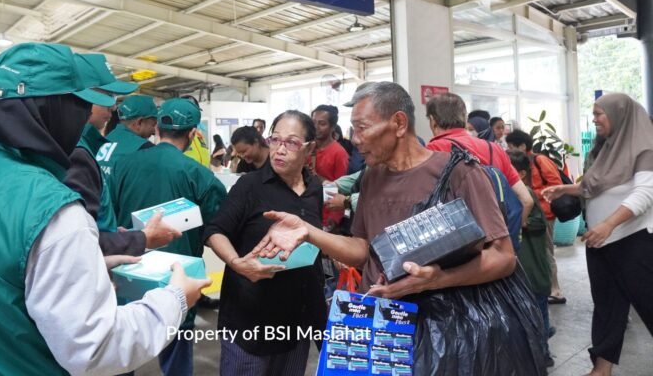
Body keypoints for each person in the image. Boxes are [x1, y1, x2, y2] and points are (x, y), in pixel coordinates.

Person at [0, 43, 209, 375]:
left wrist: (83, 259)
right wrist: (175, 298)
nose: (87, 116)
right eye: (79, 106)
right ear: (53, 109)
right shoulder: (46, 204)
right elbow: (96, 348)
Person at [253, 82, 545, 375]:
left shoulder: (460, 173)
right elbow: (363, 249)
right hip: (379, 321)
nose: (355, 139)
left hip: (444, 332)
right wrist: (308, 231)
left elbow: (504, 257)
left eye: (363, 127)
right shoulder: (371, 178)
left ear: (399, 123)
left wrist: (436, 279)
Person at [110, 98, 227, 376]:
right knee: (177, 357)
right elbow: (217, 229)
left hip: (131, 271)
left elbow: (110, 217)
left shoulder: (123, 166)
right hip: (179, 278)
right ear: (191, 134)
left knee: (124, 349)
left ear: (158, 128)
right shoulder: (200, 175)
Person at [204, 111, 326, 375]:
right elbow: (215, 231)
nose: (280, 149)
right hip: (251, 319)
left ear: (310, 148)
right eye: (275, 140)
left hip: (297, 319)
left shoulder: (314, 189)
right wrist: (238, 264)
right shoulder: (250, 186)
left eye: (291, 142)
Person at [543, 93, 653, 376]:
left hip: (634, 242)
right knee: (607, 306)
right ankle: (601, 369)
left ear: (618, 115)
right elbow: (595, 186)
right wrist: (565, 189)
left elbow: (646, 194)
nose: (594, 119)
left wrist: (608, 224)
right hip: (601, 243)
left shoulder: (644, 148)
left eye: (599, 113)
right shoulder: (607, 148)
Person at [66, 54, 178, 255]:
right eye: (107, 96)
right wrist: (139, 239)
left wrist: (114, 233)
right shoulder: (76, 151)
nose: (113, 106)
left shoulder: (97, 143)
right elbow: (79, 240)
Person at [425, 93, 534, 232]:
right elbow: (527, 200)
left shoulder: (434, 150)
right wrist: (510, 236)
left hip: (463, 245)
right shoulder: (495, 149)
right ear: (464, 119)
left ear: (433, 121)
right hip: (498, 244)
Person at [506, 128, 566, 304]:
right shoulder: (519, 163)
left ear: (523, 146)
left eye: (511, 146)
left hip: (545, 214)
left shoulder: (540, 160)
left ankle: (554, 289)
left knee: (546, 252)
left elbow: (555, 185)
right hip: (532, 211)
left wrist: (528, 194)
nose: (508, 149)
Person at [509, 149, 554, 368]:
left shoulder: (525, 193)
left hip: (533, 268)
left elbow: (539, 223)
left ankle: (543, 352)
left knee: (539, 311)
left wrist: (520, 223)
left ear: (522, 174)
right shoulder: (506, 192)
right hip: (520, 271)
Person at [96, 94, 157, 182]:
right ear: (139, 122)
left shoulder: (104, 140)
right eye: (153, 124)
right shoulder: (144, 149)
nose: (154, 132)